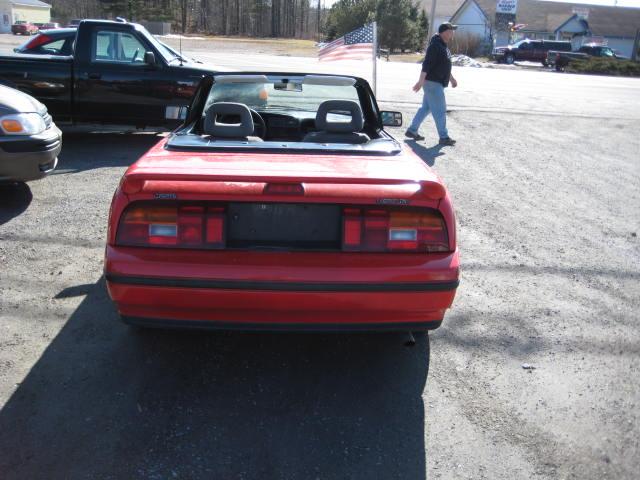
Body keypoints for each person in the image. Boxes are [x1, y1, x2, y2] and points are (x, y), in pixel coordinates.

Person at [405, 22, 458, 146]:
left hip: (434, 82)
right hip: (433, 83)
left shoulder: (443, 46)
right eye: (451, 30)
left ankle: (412, 130)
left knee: (426, 108)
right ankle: (443, 137)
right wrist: (421, 80)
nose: (453, 33)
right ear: (444, 32)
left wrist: (452, 79)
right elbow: (426, 64)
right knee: (440, 110)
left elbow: (444, 66)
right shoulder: (435, 46)